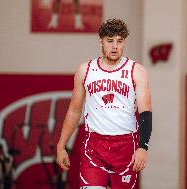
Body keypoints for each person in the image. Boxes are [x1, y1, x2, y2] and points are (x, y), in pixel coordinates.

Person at [56, 18, 152, 189]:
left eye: (119, 41)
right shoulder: (85, 70)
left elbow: (145, 112)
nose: (115, 46)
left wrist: (143, 147)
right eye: (110, 41)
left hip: (125, 146)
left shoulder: (136, 71)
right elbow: (74, 111)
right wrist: (61, 145)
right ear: (101, 41)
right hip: (94, 145)